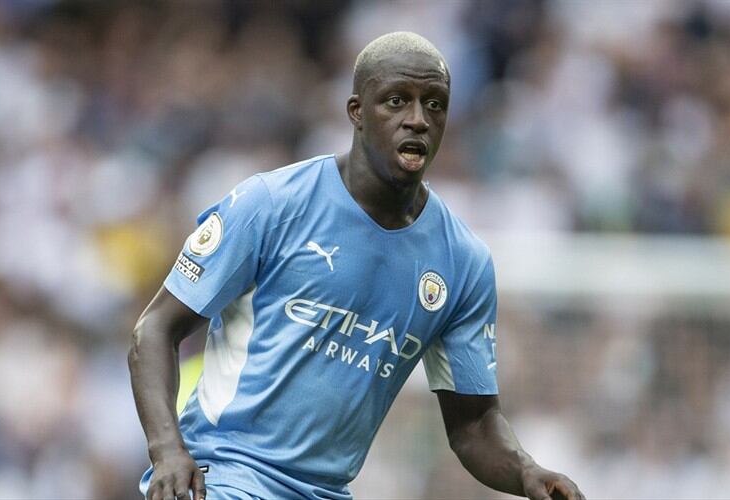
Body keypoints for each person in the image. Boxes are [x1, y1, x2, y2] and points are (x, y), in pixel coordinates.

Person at [129, 31, 585, 500]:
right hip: (225, 476)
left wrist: (527, 472)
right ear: (357, 112)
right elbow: (155, 329)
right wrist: (167, 450)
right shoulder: (270, 205)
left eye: (434, 104)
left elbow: (473, 423)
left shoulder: (462, 263)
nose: (418, 120)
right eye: (396, 101)